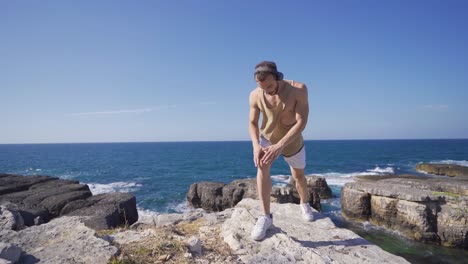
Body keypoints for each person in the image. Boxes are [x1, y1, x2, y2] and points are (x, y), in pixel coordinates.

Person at [248, 61, 314, 241]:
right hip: (267, 138)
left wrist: (280, 146)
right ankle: (265, 217)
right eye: (262, 87)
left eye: (270, 86)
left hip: (291, 139)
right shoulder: (255, 95)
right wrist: (256, 145)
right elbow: (253, 123)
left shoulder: (299, 89)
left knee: (298, 176)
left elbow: (302, 122)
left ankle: (304, 203)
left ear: (278, 77)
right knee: (261, 167)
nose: (267, 91)